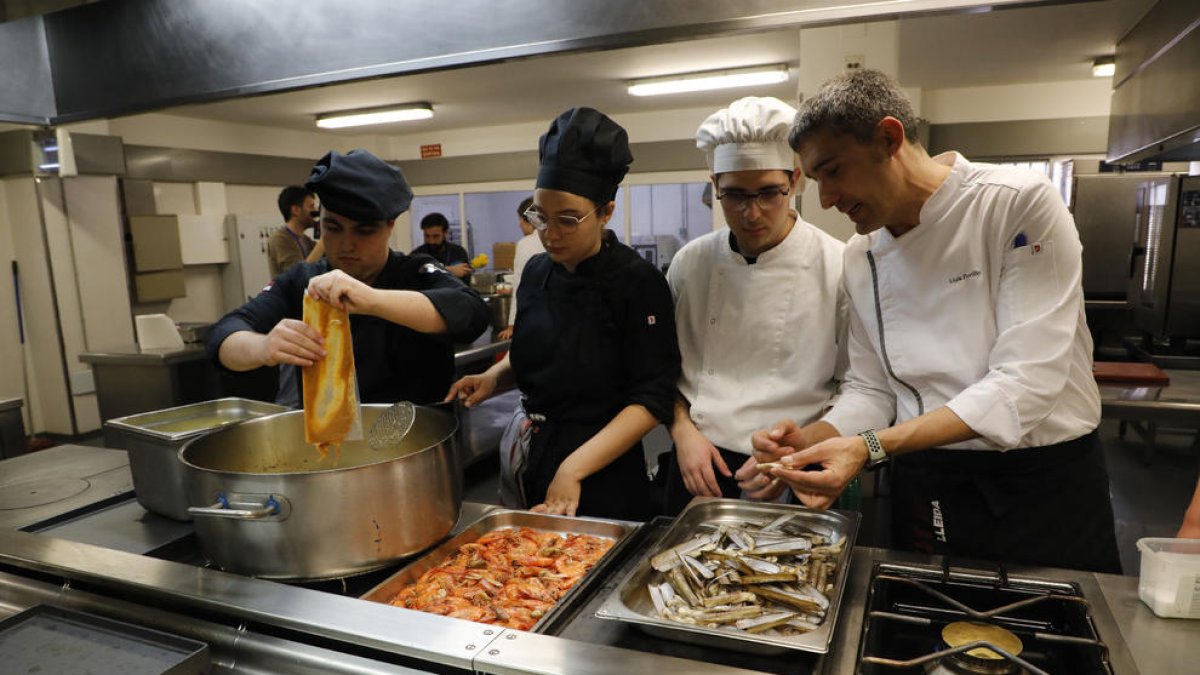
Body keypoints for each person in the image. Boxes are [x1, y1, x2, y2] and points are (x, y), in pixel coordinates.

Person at [751, 69, 1121, 573]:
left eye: (833, 171)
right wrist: (810, 441)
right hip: (926, 480)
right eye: (816, 180)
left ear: (889, 137)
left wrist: (872, 446)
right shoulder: (862, 255)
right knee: (916, 632)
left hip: (1039, 484)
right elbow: (873, 389)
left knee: (1055, 638)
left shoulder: (1013, 203)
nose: (826, 201)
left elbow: (1025, 383)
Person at [445, 108, 681, 520]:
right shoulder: (537, 271)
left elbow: (652, 400)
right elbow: (537, 353)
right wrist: (493, 378)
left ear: (606, 211)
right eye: (541, 216)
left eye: (568, 220)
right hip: (533, 449)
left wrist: (573, 468)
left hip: (603, 461)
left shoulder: (637, 283)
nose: (550, 234)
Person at [660, 96, 847, 515]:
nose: (751, 212)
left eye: (768, 193)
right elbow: (660, 366)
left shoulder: (838, 265)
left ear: (795, 180)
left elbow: (857, 385)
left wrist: (802, 449)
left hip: (795, 463)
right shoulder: (691, 263)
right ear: (715, 186)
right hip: (698, 461)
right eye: (734, 196)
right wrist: (682, 432)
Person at [207, 149, 490, 406]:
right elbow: (223, 334)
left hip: (416, 444)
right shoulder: (303, 280)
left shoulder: (415, 272)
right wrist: (264, 346)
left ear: (389, 226)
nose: (346, 244)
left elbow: (471, 313)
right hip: (330, 451)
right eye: (333, 228)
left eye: (364, 231)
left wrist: (372, 300)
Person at [497, 196, 545, 341]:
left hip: (534, 319)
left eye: (521, 220)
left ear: (531, 221)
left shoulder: (526, 244)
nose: (519, 224)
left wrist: (512, 324)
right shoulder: (559, 239)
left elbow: (520, 284)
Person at [267, 186, 325, 278]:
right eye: (311, 206)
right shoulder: (280, 239)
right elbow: (298, 276)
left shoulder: (305, 240)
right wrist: (324, 239)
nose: (315, 211)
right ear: (296, 210)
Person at [413, 212, 472, 279]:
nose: (431, 241)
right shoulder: (417, 254)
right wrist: (449, 270)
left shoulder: (458, 252)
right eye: (427, 236)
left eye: (436, 236)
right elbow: (421, 270)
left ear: (445, 233)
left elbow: (465, 279)